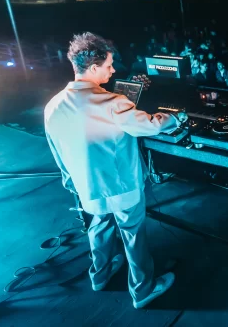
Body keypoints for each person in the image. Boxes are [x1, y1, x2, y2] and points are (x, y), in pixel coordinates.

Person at [44, 32, 182, 309]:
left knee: (99, 226)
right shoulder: (112, 102)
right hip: (122, 187)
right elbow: (150, 125)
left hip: (86, 187)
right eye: (108, 65)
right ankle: (143, 290)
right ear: (94, 67)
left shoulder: (52, 106)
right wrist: (176, 118)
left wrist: (72, 184)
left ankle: (100, 275)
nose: (113, 70)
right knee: (132, 235)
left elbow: (58, 154)